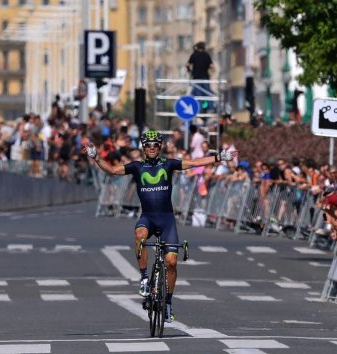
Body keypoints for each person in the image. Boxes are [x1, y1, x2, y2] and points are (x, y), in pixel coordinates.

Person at [83, 130, 237, 322]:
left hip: (166, 220)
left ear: (160, 147)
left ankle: (169, 303)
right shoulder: (137, 167)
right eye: (148, 145)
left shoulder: (169, 164)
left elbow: (195, 163)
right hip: (148, 217)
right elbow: (112, 170)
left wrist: (219, 157)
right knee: (139, 236)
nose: (152, 148)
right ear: (143, 147)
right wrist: (96, 157)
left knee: (171, 262)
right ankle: (144, 279)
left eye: (156, 145)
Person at [186, 42, 215, 110]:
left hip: (196, 78)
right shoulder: (206, 55)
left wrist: (189, 71)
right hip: (205, 78)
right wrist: (211, 73)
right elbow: (212, 66)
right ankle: (210, 108)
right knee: (207, 93)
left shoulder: (194, 55)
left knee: (197, 95)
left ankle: (199, 109)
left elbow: (187, 65)